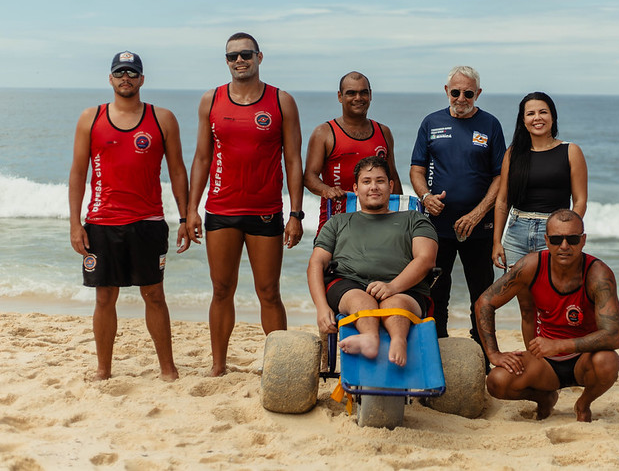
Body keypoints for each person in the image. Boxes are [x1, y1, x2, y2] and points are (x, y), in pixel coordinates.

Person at [187, 32, 304, 376]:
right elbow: (202, 158)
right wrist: (191, 209)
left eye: (246, 54)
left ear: (259, 57)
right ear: (226, 61)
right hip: (220, 210)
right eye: (232, 56)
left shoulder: (281, 101)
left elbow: (293, 160)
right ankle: (218, 365)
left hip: (265, 211)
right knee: (222, 289)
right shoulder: (211, 100)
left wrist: (296, 214)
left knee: (269, 291)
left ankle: (280, 366)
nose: (239, 60)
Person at [68, 51, 189, 381]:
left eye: (132, 73)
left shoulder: (162, 118)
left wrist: (184, 217)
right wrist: (75, 223)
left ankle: (168, 368)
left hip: (147, 223)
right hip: (102, 223)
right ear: (110, 78)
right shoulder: (90, 118)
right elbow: (78, 173)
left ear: (142, 79)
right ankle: (103, 370)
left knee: (154, 295)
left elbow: (178, 171)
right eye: (120, 72)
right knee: (105, 297)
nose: (126, 78)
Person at [475, 209, 619, 422]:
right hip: (545, 363)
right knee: (496, 381)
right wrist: (493, 353)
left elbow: (613, 336)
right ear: (546, 240)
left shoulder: (598, 273)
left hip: (584, 359)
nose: (564, 246)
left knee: (608, 362)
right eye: (556, 239)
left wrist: (559, 345)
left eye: (572, 239)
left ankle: (583, 403)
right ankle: (544, 398)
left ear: (583, 240)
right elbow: (484, 302)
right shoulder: (531, 265)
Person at [409, 65, 506, 353]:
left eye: (468, 93)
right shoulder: (431, 122)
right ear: (446, 91)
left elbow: (501, 176)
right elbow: (416, 169)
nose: (461, 98)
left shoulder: (491, 124)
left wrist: (477, 213)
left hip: (479, 227)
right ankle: (437, 348)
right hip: (437, 226)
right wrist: (425, 196)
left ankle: (484, 352)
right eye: (455, 92)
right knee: (436, 291)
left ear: (478, 93)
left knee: (482, 293)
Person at [308, 156, 438, 366]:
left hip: (404, 288)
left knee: (395, 303)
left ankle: (398, 339)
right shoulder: (337, 222)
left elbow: (426, 259)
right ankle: (370, 337)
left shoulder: (414, 219)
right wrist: (322, 308)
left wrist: (392, 286)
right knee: (359, 299)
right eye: (366, 181)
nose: (373, 187)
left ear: (391, 186)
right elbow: (316, 263)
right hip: (349, 285)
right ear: (356, 188)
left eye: (380, 181)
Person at [493, 92, 588, 270]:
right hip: (516, 235)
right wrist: (496, 241)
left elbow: (580, 201)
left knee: (551, 287)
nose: (537, 118)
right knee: (520, 289)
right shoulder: (512, 154)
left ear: (553, 116)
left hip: (555, 234)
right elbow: (502, 201)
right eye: (530, 114)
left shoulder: (571, 151)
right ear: (523, 121)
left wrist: (566, 234)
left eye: (543, 112)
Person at [304, 71, 403, 234]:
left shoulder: (383, 132)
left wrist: (400, 219)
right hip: (336, 225)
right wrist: (326, 190)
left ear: (370, 95)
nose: (358, 98)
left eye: (363, 92)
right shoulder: (324, 133)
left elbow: (393, 178)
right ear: (340, 96)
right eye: (351, 93)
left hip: (377, 226)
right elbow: (309, 176)